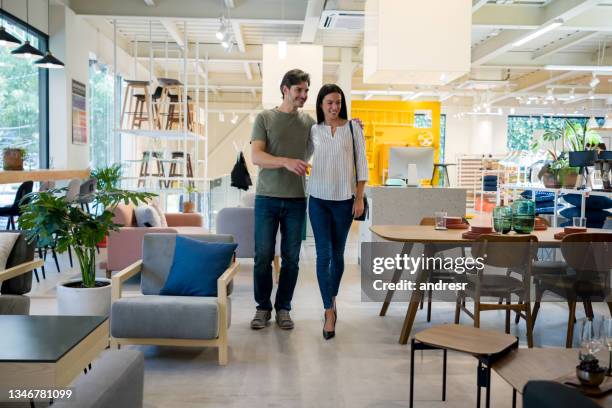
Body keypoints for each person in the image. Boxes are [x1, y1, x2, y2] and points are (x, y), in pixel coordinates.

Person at [249, 69, 315, 330]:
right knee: (263, 256)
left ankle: (284, 308)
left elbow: (333, 134)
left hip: (297, 200)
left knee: (292, 258)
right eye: (299, 90)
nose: (304, 95)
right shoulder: (265, 117)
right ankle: (263, 307)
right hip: (266, 198)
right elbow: (257, 156)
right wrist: (285, 161)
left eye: (306, 90)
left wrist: (352, 126)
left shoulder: (309, 123)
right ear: (285, 89)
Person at [307, 84, 368, 339]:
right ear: (321, 104)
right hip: (318, 199)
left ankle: (331, 298)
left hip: (344, 200)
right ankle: (329, 310)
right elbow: (300, 154)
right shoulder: (313, 130)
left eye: (338, 102)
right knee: (323, 256)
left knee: (338, 255)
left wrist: (359, 198)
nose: (334, 107)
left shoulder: (353, 128)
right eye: (329, 102)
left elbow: (362, 165)